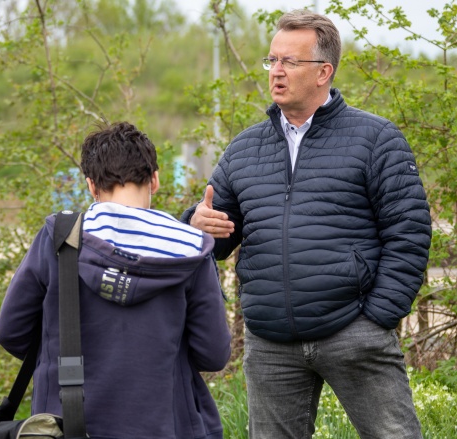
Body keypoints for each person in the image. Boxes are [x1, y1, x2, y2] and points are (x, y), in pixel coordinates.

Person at [181, 9, 432, 439]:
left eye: (289, 62)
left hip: (354, 331)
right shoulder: (244, 149)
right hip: (271, 343)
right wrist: (196, 224)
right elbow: (213, 235)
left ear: (324, 72)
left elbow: (409, 232)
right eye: (272, 60)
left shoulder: (375, 139)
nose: (276, 72)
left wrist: (376, 318)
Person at [0, 122, 232, 438]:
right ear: (155, 180)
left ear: (92, 186)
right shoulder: (191, 248)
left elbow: (12, 332)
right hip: (165, 423)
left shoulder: (60, 237)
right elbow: (213, 353)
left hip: (66, 422)